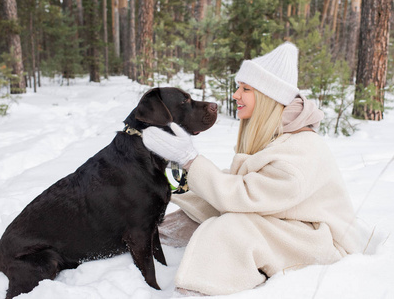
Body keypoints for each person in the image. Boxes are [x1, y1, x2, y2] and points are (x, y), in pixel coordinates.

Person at [142, 42, 361, 296]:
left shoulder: (299, 153)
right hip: (288, 222)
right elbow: (236, 185)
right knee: (205, 208)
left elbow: (243, 195)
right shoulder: (278, 134)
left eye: (245, 89)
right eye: (238, 87)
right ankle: (154, 237)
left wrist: (191, 160)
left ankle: (196, 290)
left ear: (269, 98)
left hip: (321, 242)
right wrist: (168, 186)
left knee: (232, 227)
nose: (236, 95)